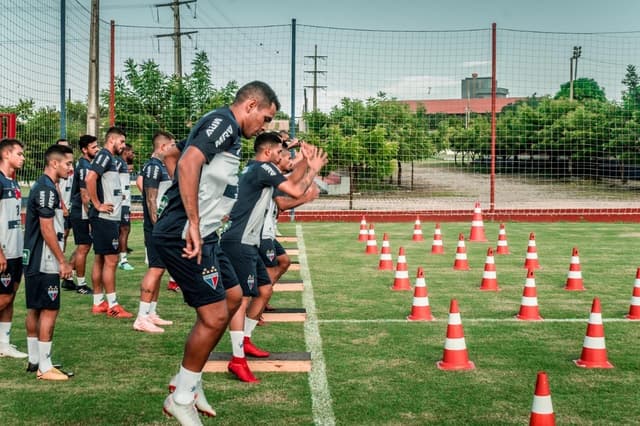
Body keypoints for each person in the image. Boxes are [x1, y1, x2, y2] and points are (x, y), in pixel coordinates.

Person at [153, 81, 280, 424]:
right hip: (185, 234)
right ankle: (181, 398)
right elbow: (188, 162)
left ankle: (187, 382)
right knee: (214, 316)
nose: (265, 127)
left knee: (234, 296)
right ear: (251, 105)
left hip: (207, 233)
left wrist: (204, 207)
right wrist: (190, 217)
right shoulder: (223, 122)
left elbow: (172, 153)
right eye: (266, 118)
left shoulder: (229, 132)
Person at [220, 132, 326, 383]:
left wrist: (304, 163)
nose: (283, 155)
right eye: (280, 152)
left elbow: (291, 179)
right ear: (267, 153)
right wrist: (311, 169)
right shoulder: (262, 168)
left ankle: (245, 341)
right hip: (240, 241)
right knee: (242, 300)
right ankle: (237, 360)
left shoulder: (259, 169)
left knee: (264, 290)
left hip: (249, 241)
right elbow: (295, 188)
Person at [23, 144, 74, 380]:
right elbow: (46, 229)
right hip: (44, 259)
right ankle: (45, 366)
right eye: (67, 164)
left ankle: (35, 360)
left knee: (35, 308)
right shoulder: (46, 189)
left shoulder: (47, 187)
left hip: (34, 257)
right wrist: (62, 261)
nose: (70, 168)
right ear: (54, 163)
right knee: (50, 310)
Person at [259, 143, 320, 313]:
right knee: (267, 272)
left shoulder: (275, 174)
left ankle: (261, 300)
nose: (289, 161)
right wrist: (306, 198)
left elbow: (294, 177)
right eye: (286, 157)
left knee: (284, 261)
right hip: (262, 232)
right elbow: (282, 204)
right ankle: (257, 306)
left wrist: (305, 161)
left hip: (267, 232)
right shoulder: (270, 174)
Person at [85, 126, 133, 318]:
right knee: (111, 261)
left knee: (100, 258)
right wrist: (97, 204)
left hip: (106, 218)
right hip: (104, 218)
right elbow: (90, 178)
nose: (123, 146)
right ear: (112, 140)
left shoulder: (109, 159)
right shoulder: (105, 156)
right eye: (121, 142)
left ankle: (98, 302)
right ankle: (113, 305)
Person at [133, 131, 176, 333]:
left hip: (163, 226)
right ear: (162, 147)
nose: (174, 149)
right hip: (156, 228)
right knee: (155, 269)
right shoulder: (152, 167)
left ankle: (151, 313)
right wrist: (157, 226)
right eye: (171, 146)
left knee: (160, 269)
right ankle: (141, 317)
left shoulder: (162, 166)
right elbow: (151, 199)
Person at [0, 139, 27, 359]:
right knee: (3, 298)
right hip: (4, 251)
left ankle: (4, 344)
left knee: (11, 296)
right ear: (6, 154)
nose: (23, 157)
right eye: (19, 154)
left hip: (16, 251)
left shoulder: (14, 183)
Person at [67, 135, 100, 295]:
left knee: (83, 245)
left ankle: (67, 278)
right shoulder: (85, 167)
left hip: (80, 210)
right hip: (81, 211)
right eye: (93, 147)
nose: (97, 149)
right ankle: (81, 285)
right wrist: (90, 217)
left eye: (97, 146)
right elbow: (84, 194)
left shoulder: (86, 164)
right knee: (84, 247)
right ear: (84, 150)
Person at [116, 143, 134, 271]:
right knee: (124, 229)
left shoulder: (122, 163)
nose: (133, 155)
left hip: (125, 203)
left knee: (125, 229)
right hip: (121, 203)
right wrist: (117, 193)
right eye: (131, 152)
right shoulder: (118, 162)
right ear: (126, 151)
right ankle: (122, 260)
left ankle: (120, 257)